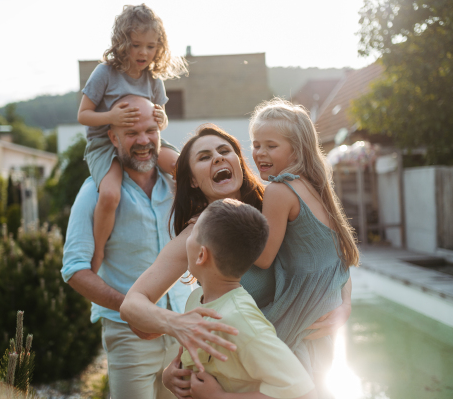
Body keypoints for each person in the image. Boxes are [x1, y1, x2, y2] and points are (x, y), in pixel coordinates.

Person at [119, 124, 352, 398]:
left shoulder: (277, 201)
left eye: (224, 150)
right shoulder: (197, 235)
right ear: (192, 180)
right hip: (249, 381)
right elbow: (132, 304)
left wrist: (344, 303)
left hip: (309, 360)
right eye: (204, 157)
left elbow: (331, 250)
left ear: (239, 163)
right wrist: (179, 344)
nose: (217, 157)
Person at [63, 95, 191, 399]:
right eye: (132, 133)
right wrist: (134, 310)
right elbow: (74, 270)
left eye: (150, 131)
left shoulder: (178, 186)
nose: (144, 140)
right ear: (113, 137)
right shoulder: (94, 191)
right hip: (129, 335)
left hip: (182, 328)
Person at [248, 98, 359, 395]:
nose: (260, 153)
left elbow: (263, 258)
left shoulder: (279, 190)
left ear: (296, 149)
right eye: (256, 144)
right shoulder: (315, 187)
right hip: (320, 311)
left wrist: (226, 229)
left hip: (299, 312)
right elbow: (339, 260)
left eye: (271, 145)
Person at [77, 4, 187, 272]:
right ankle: (99, 251)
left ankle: (192, 229)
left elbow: (162, 117)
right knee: (111, 194)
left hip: (143, 142)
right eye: (136, 45)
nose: (143, 53)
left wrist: (162, 120)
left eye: (151, 47)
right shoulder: (105, 73)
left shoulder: (153, 79)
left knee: (183, 167)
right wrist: (111, 118)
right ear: (122, 43)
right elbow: (83, 115)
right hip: (104, 144)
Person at [179, 198, 316, 399]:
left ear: (201, 255)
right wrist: (171, 376)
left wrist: (219, 397)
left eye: (192, 233)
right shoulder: (195, 299)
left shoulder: (240, 320)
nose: (186, 238)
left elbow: (304, 392)